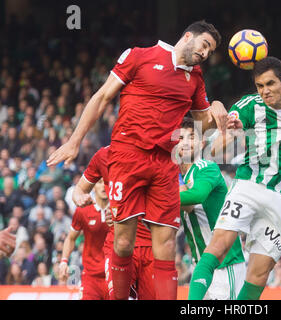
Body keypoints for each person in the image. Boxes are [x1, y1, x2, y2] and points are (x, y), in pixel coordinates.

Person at [47, 20, 228, 300]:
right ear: (188, 37)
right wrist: (74, 141)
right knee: (122, 243)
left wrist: (218, 111)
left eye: (211, 50)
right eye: (205, 45)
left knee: (166, 244)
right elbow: (102, 96)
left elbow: (204, 122)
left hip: (165, 162)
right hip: (127, 156)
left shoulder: (195, 77)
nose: (205, 53)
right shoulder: (140, 56)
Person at [188, 56, 281, 300]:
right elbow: (221, 144)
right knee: (218, 247)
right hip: (247, 187)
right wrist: (230, 131)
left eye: (270, 84)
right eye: (260, 86)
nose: (265, 91)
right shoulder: (249, 106)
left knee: (260, 274)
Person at [73, 145, 155, 300]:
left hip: (150, 246)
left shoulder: (157, 153)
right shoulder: (103, 155)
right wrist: (79, 197)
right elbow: (78, 191)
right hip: (113, 251)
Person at [178, 117, 246, 299]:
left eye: (191, 137)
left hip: (224, 265)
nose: (184, 142)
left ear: (202, 143)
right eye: (180, 138)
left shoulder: (206, 167)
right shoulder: (180, 179)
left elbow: (196, 196)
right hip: (201, 264)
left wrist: (156, 198)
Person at [59, 180, 110, 300]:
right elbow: (71, 238)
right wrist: (64, 261)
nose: (103, 186)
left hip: (114, 275)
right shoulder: (83, 210)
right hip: (91, 277)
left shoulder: (120, 210)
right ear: (93, 187)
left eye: (106, 182)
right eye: (99, 183)